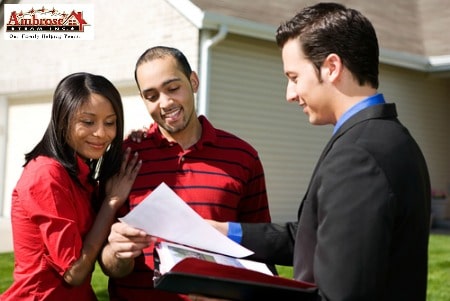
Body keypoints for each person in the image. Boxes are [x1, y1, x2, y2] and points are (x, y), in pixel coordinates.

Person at [193, 2, 431, 301]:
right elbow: (315, 237)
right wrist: (224, 232)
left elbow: (339, 296)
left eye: (294, 77)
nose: (289, 94)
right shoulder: (388, 137)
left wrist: (232, 294)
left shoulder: (359, 156)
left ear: (331, 67)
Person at [98, 46, 272, 300]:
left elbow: (262, 252)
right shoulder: (124, 157)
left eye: (172, 88)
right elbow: (107, 263)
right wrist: (116, 252)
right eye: (151, 95)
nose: (165, 103)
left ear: (193, 81)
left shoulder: (243, 157)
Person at [0, 72, 141, 301]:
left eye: (110, 122)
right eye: (87, 122)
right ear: (63, 119)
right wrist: (111, 202)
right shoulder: (46, 174)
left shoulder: (80, 173)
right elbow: (74, 272)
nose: (101, 133)